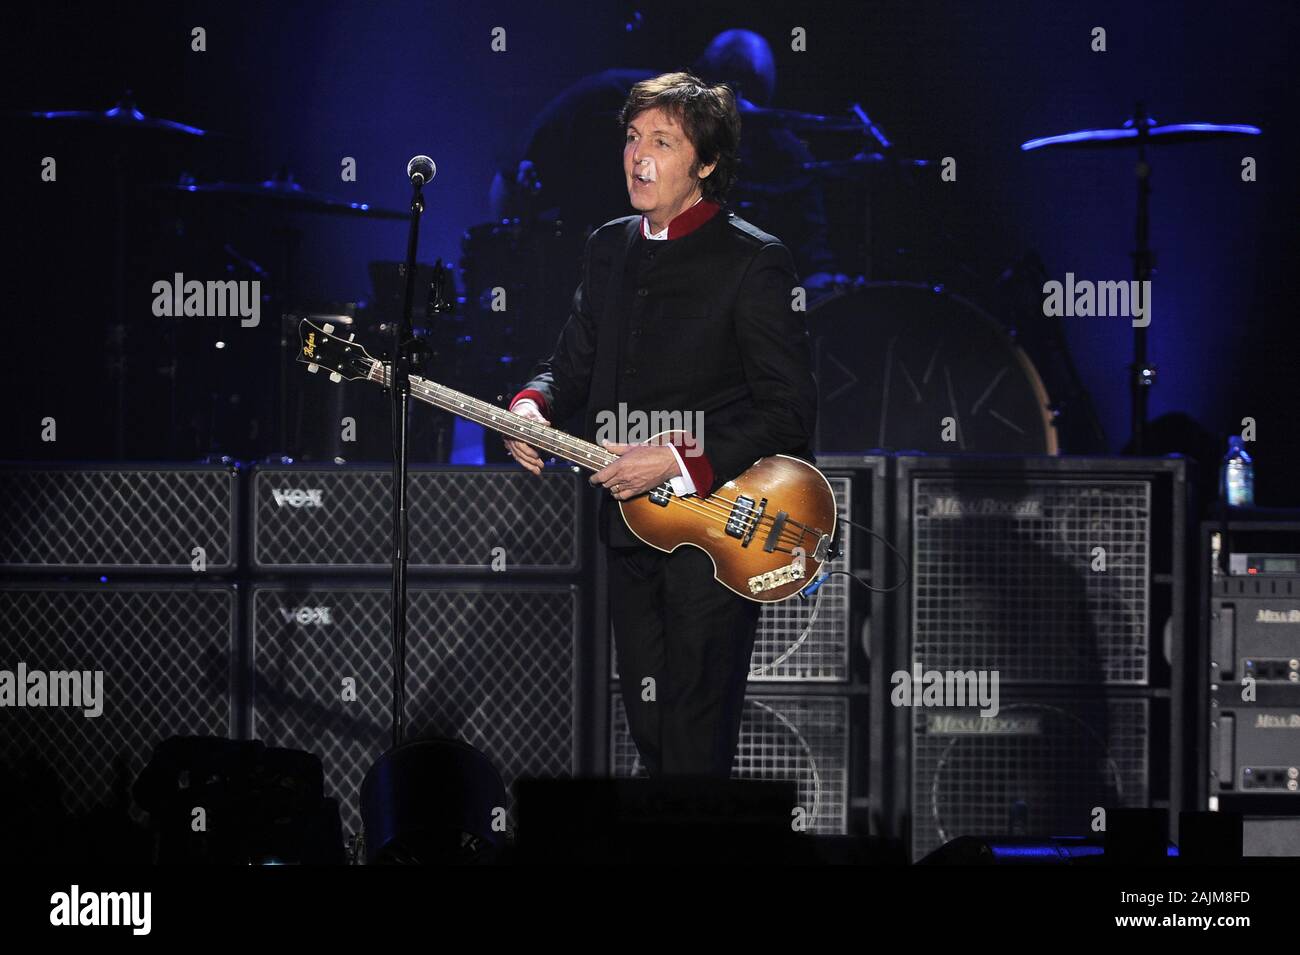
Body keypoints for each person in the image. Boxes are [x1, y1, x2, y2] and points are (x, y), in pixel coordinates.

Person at [503, 72, 817, 777]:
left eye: (662, 141)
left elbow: (789, 410)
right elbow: (571, 363)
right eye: (632, 138)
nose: (638, 156)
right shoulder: (608, 246)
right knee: (650, 734)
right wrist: (531, 405)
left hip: (716, 528)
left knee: (694, 736)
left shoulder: (753, 259)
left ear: (705, 162)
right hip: (628, 528)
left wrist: (676, 460)